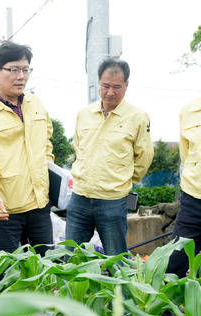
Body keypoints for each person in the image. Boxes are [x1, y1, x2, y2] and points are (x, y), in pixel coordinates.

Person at [0, 41, 54, 257]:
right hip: (4, 212)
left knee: (47, 272)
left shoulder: (36, 105)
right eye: (14, 70)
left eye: (25, 69)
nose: (21, 76)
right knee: (9, 278)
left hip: (40, 207)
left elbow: (47, 145)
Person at [66, 59, 153, 256]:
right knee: (70, 258)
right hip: (79, 198)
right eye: (105, 86)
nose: (110, 92)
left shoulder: (138, 117)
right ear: (99, 84)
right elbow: (79, 147)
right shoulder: (84, 114)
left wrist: (124, 181)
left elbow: (144, 156)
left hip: (113, 200)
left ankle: (120, 289)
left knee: (117, 260)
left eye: (116, 87)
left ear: (127, 86)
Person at [166, 79, 201, 279]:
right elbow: (186, 154)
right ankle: (164, 310)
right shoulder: (189, 111)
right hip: (195, 199)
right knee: (174, 260)